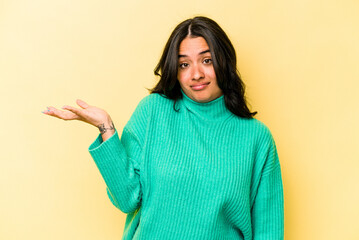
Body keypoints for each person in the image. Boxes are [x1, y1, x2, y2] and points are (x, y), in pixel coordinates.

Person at [43, 16, 284, 240]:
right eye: (184, 65)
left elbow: (268, 230)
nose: (196, 74)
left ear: (225, 62)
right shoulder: (152, 112)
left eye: (207, 60)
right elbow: (127, 200)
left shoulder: (257, 138)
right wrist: (106, 128)